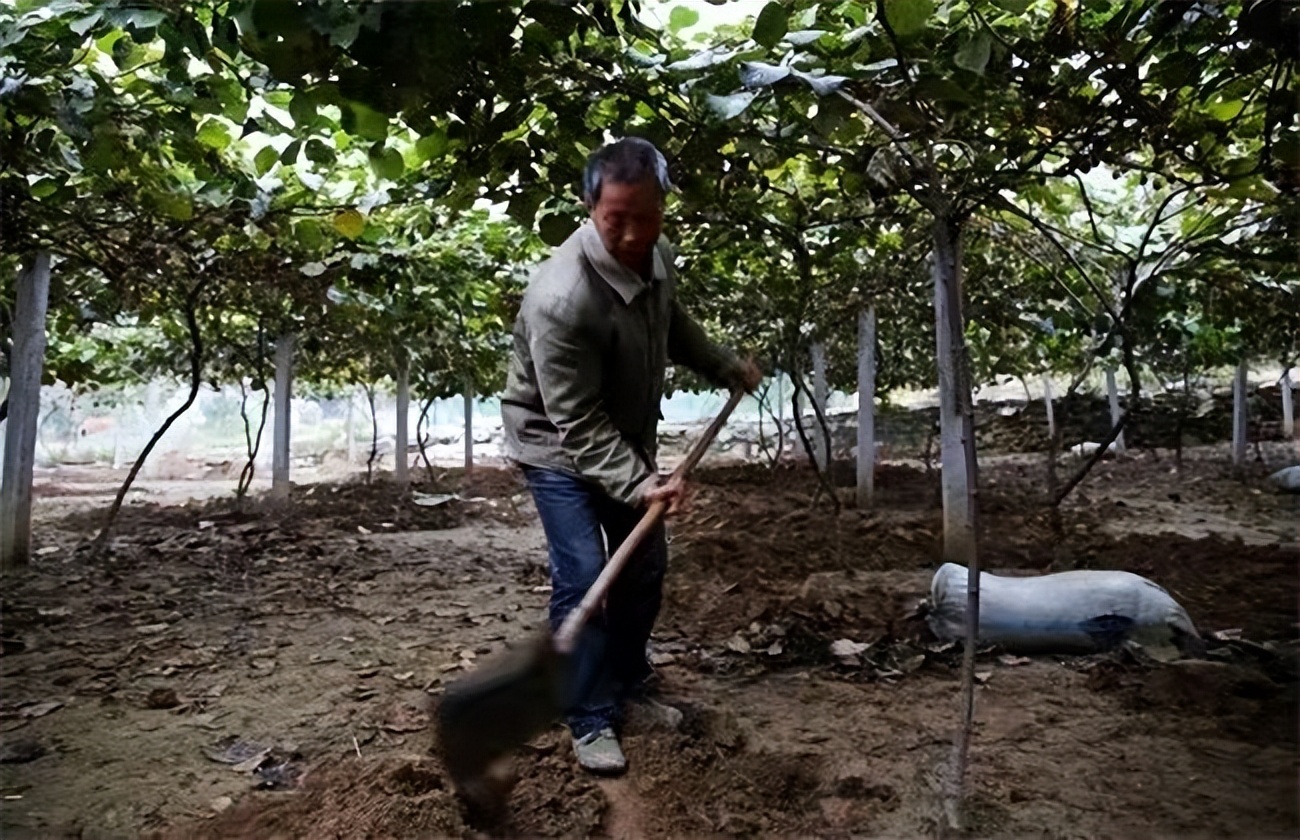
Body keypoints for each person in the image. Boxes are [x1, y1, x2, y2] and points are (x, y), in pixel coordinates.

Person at [501, 137, 761, 774]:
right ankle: (588, 716)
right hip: (557, 446)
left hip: (623, 438)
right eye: (616, 218)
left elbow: (673, 323)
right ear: (590, 206)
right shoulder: (561, 299)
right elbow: (576, 421)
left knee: (643, 568)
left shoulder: (655, 254)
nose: (631, 233)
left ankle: (625, 673)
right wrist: (641, 484)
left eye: (646, 217)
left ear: (663, 208)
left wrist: (723, 366)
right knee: (587, 573)